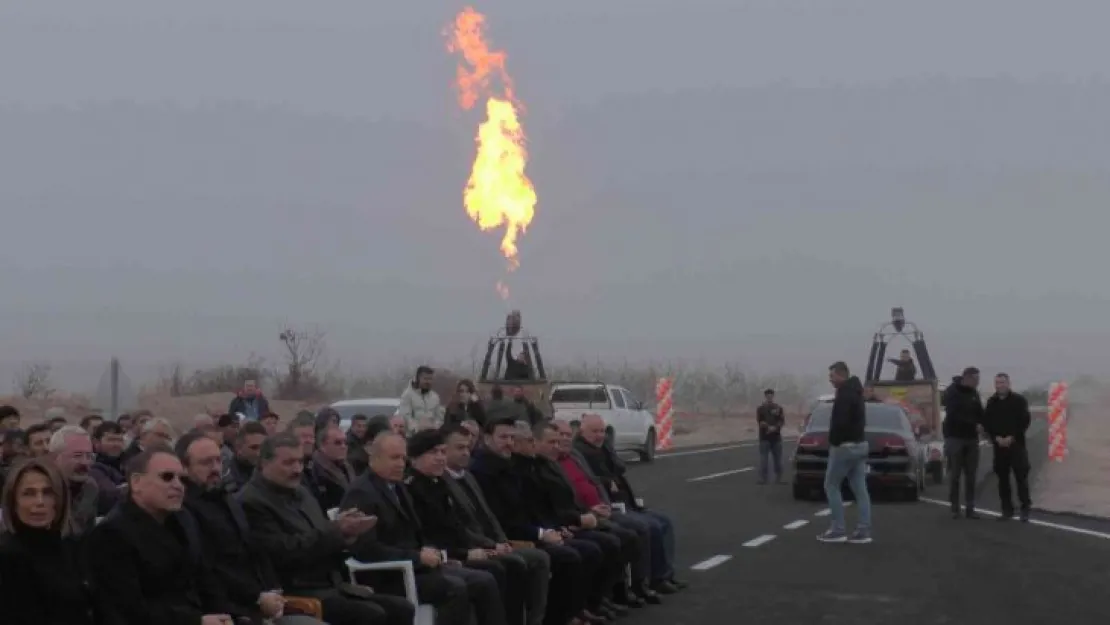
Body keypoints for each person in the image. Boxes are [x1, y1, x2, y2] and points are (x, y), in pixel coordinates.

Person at [239, 433, 415, 625]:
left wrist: (348, 535)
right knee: (371, 614)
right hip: (296, 590)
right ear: (265, 463)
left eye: (300, 461)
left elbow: (324, 536)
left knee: (402, 608)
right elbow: (283, 552)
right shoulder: (252, 502)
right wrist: (338, 530)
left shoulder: (301, 493)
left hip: (331, 584)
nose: (297, 469)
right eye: (288, 463)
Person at [341, 432, 503, 625]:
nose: (401, 464)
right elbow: (367, 549)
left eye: (403, 457)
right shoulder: (362, 492)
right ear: (374, 458)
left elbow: (417, 533)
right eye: (394, 458)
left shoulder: (397, 486)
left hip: (415, 568)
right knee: (455, 587)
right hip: (389, 575)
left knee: (483, 580)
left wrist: (440, 556)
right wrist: (417, 557)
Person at [176, 431, 325, 625]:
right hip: (231, 611)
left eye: (218, 460)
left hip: (262, 604)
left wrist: (272, 591)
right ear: (184, 468)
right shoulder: (186, 510)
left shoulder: (225, 498)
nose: (215, 468)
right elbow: (214, 569)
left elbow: (254, 550)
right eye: (205, 463)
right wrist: (257, 598)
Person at [84, 445, 237, 625]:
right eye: (167, 477)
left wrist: (224, 614)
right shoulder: (111, 534)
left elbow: (204, 578)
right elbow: (127, 609)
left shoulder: (183, 518)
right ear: (137, 482)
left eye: (182, 479)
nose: (178, 485)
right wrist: (197, 621)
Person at [471, 418, 603, 625]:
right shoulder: (485, 471)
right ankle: (552, 618)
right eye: (503, 437)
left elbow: (533, 508)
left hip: (529, 531)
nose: (509, 443)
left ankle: (575, 611)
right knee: (561, 556)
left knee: (588, 547)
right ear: (487, 439)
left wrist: (554, 529)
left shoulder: (514, 466)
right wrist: (542, 534)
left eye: (511, 438)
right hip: (510, 538)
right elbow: (502, 518)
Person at [406, 429, 527, 625]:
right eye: (433, 453)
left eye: (442, 452)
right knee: (487, 577)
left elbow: (457, 527)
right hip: (437, 558)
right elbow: (425, 536)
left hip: (456, 551)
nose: (440, 458)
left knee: (509, 565)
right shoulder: (411, 489)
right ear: (414, 459)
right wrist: (462, 555)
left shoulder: (437, 483)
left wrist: (484, 547)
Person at [440, 424, 552, 625]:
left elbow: (489, 516)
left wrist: (501, 541)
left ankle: (536, 620)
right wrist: (491, 545)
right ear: (444, 450)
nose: (466, 453)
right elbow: (460, 527)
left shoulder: (468, 476)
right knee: (510, 565)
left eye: (467, 447)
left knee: (538, 558)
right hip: (470, 548)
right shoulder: (443, 481)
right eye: (459, 448)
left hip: (492, 542)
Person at [549, 419, 661, 602]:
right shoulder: (553, 463)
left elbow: (595, 480)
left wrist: (605, 504)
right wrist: (589, 512)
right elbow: (567, 499)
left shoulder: (575, 455)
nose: (564, 439)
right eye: (559, 436)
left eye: (567, 435)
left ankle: (638, 584)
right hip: (583, 516)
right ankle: (614, 594)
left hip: (603, 509)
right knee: (626, 534)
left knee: (646, 526)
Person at [573, 414, 684, 594]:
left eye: (602, 431)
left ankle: (665, 574)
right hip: (611, 507)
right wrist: (607, 481)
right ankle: (648, 580)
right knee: (650, 527)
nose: (600, 435)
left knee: (665, 522)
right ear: (582, 431)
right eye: (594, 431)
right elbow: (589, 480)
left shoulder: (603, 448)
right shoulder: (580, 453)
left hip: (628, 503)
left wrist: (608, 448)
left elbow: (620, 467)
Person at [0, 457, 97, 625]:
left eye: (48, 492)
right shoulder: (8, 556)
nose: (39, 502)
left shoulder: (73, 546)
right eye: (28, 493)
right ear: (13, 501)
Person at [818, 361, 872, 544]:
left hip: (845, 446)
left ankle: (838, 529)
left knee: (831, 485)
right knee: (860, 488)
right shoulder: (857, 391)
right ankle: (863, 530)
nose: (830, 380)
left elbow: (840, 422)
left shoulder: (844, 394)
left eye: (832, 376)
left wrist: (833, 441)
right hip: (860, 444)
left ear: (841, 375)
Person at [983, 373, 1032, 522]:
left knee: (1021, 478)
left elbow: (1024, 421)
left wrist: (1012, 437)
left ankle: (1025, 509)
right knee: (1002, 480)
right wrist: (996, 438)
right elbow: (987, 423)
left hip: (1016, 445)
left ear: (1009, 383)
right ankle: (1007, 510)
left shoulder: (1019, 400)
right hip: (999, 447)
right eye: (997, 383)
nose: (1000, 385)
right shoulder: (991, 402)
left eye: (1003, 382)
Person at [943, 367, 985, 520]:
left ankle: (970, 507)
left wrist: (983, 424)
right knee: (955, 474)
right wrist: (973, 425)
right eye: (976, 379)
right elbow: (953, 415)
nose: (978, 382)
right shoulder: (952, 392)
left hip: (972, 439)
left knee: (971, 474)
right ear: (967, 378)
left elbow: (980, 412)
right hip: (955, 437)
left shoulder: (974, 393)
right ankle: (955, 508)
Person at [48, 425, 100, 535]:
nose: (85, 462)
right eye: (77, 455)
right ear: (54, 458)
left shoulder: (90, 487)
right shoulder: (42, 488)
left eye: (89, 456)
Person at [307, 425, 356, 511]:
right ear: (322, 446)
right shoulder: (314, 471)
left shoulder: (347, 467)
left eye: (345, 442)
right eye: (337, 443)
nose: (343, 446)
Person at [89, 421, 128, 515]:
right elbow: (109, 497)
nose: (116, 444)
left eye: (120, 440)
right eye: (111, 440)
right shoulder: (93, 468)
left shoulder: (127, 464)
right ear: (96, 442)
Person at [397, 365, 445, 432]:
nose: (428, 382)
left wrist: (435, 427)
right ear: (417, 378)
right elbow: (405, 417)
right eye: (425, 379)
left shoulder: (435, 397)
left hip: (431, 434)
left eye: (430, 379)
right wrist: (418, 428)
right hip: (413, 436)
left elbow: (439, 418)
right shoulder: (407, 395)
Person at [225, 420, 268, 491]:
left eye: (263, 447)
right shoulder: (228, 476)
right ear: (239, 448)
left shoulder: (271, 473)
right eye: (254, 447)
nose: (259, 453)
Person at [755, 389, 786, 484]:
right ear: (765, 396)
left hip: (776, 438)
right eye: (768, 395)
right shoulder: (760, 409)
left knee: (778, 460)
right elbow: (760, 421)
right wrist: (768, 427)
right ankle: (763, 478)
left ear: (773, 396)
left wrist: (775, 427)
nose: (769, 397)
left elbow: (781, 421)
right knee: (763, 459)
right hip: (764, 437)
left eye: (771, 395)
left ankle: (779, 479)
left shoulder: (778, 408)